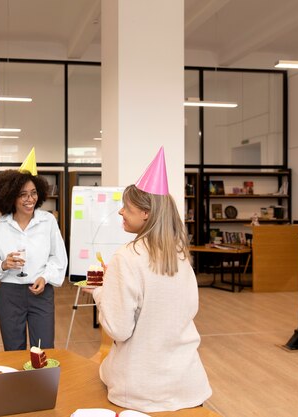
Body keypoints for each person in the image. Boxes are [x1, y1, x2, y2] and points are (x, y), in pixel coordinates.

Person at [86, 147, 212, 412]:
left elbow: (118, 329)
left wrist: (101, 292)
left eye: (126, 207)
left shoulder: (127, 257)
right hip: (187, 384)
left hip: (140, 388)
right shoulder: (179, 255)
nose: (120, 212)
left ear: (145, 213)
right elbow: (187, 310)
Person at [0, 149, 67, 351]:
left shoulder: (48, 221)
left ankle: (42, 383)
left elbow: (58, 257)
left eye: (34, 193)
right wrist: (3, 264)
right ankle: (16, 383)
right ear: (10, 197)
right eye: (23, 194)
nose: (30, 199)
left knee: (43, 350)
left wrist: (45, 277)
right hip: (10, 295)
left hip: (41, 293)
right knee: (13, 351)